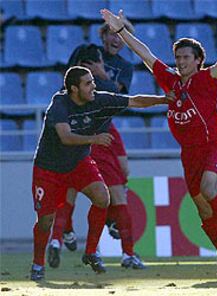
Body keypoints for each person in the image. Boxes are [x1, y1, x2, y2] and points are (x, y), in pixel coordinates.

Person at [101, 8, 217, 277]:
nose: (180, 61)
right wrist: (119, 30)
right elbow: (144, 53)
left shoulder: (208, 78)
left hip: (213, 147)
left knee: (209, 189)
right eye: (178, 57)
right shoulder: (170, 80)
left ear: (198, 60)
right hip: (189, 155)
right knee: (202, 208)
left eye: (186, 57)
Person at [30, 66, 173, 281]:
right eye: (88, 83)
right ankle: (38, 265)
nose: (93, 87)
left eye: (93, 82)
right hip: (48, 169)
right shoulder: (59, 104)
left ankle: (90, 252)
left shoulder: (99, 100)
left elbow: (135, 100)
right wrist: (94, 139)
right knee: (45, 221)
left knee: (102, 197)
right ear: (74, 89)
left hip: (78, 163)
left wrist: (163, 100)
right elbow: (65, 137)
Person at [47, 18, 147, 271]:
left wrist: (101, 76)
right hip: (82, 128)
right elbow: (68, 86)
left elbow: (118, 99)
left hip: (105, 128)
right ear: (103, 35)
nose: (116, 39)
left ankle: (107, 225)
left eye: (122, 36)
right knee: (74, 186)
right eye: (112, 34)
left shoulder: (124, 66)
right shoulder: (86, 53)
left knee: (122, 173)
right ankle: (69, 234)